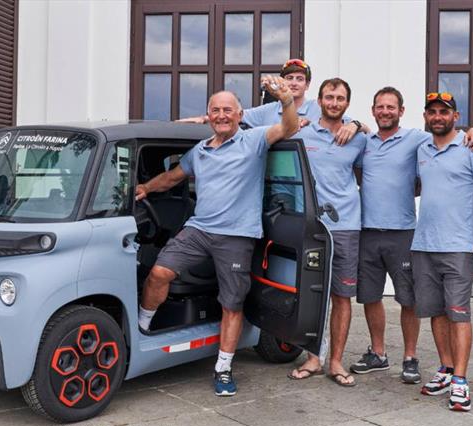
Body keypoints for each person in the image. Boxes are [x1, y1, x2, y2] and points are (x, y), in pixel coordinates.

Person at [136, 76, 299, 396]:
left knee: (231, 304)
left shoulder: (253, 141)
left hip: (237, 236)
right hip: (200, 229)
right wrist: (145, 188)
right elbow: (171, 178)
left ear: (239, 115)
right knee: (158, 273)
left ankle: (223, 368)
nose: (222, 115)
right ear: (208, 116)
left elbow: (288, 129)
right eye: (215, 110)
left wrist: (287, 101)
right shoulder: (200, 151)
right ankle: (142, 328)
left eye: (228, 110)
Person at [350, 87, 473, 384]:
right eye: (380, 107)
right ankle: (378, 353)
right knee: (370, 297)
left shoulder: (418, 140)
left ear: (402, 111)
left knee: (408, 299)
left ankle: (410, 357)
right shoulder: (363, 143)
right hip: (368, 231)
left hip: (404, 233)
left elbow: (449, 134)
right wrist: (356, 125)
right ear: (373, 111)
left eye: (391, 107)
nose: (385, 111)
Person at [412, 92, 473, 412]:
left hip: (458, 246)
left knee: (458, 312)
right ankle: (446, 369)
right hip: (424, 245)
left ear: (455, 117)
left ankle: (461, 380)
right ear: (425, 117)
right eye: (432, 112)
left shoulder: (471, 145)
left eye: (443, 112)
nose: (438, 116)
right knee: (436, 312)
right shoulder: (421, 148)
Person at [287, 78, 366, 387]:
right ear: (319, 100)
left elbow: (376, 161)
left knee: (342, 296)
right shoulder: (302, 132)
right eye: (329, 97)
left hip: (346, 226)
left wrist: (359, 124)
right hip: (311, 226)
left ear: (347, 103)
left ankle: (335, 361)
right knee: (311, 295)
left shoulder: (359, 138)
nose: (334, 102)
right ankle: (313, 358)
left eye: (341, 98)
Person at [178, 59, 363, 145]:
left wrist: (355, 124)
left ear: (307, 85)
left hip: (306, 180)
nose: (294, 83)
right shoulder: (267, 111)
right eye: (289, 78)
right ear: (281, 81)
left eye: (299, 79)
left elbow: (349, 124)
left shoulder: (320, 108)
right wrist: (203, 119)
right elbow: (232, 116)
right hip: (272, 178)